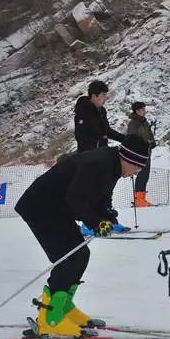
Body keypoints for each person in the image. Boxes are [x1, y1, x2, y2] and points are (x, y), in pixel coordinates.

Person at [14, 134, 149, 337]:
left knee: (80, 256)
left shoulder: (112, 165)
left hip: (57, 209)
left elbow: (101, 197)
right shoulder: (99, 164)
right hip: (40, 207)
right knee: (69, 259)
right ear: (128, 159)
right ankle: (49, 318)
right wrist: (96, 222)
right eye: (137, 168)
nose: (135, 174)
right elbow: (76, 198)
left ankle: (64, 307)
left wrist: (108, 218)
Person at [73, 80, 126, 228]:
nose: (105, 98)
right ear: (94, 96)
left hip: (102, 155)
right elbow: (81, 136)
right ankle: (88, 221)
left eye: (106, 95)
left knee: (105, 186)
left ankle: (106, 215)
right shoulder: (83, 111)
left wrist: (125, 138)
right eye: (103, 95)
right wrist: (98, 139)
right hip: (88, 157)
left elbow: (106, 131)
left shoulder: (102, 111)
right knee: (90, 188)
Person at [127, 102, 156, 207]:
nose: (144, 111)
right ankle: (138, 200)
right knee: (141, 175)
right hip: (139, 154)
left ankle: (141, 199)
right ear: (137, 110)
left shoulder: (144, 122)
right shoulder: (133, 123)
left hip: (146, 152)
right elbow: (131, 139)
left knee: (145, 175)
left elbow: (149, 134)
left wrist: (152, 142)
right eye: (142, 109)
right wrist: (144, 143)